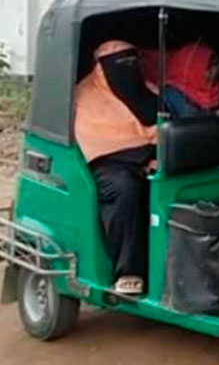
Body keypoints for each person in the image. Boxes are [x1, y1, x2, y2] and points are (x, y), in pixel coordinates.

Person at [74, 40, 158, 296]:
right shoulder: (86, 96)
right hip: (106, 165)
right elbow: (99, 141)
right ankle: (129, 272)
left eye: (131, 62)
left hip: (149, 158)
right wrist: (143, 159)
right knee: (126, 187)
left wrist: (156, 155)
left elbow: (166, 127)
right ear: (100, 69)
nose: (127, 69)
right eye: (118, 64)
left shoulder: (149, 90)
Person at [141, 40, 219, 119]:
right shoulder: (171, 97)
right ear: (196, 68)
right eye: (212, 65)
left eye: (217, 63)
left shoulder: (218, 91)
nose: (218, 69)